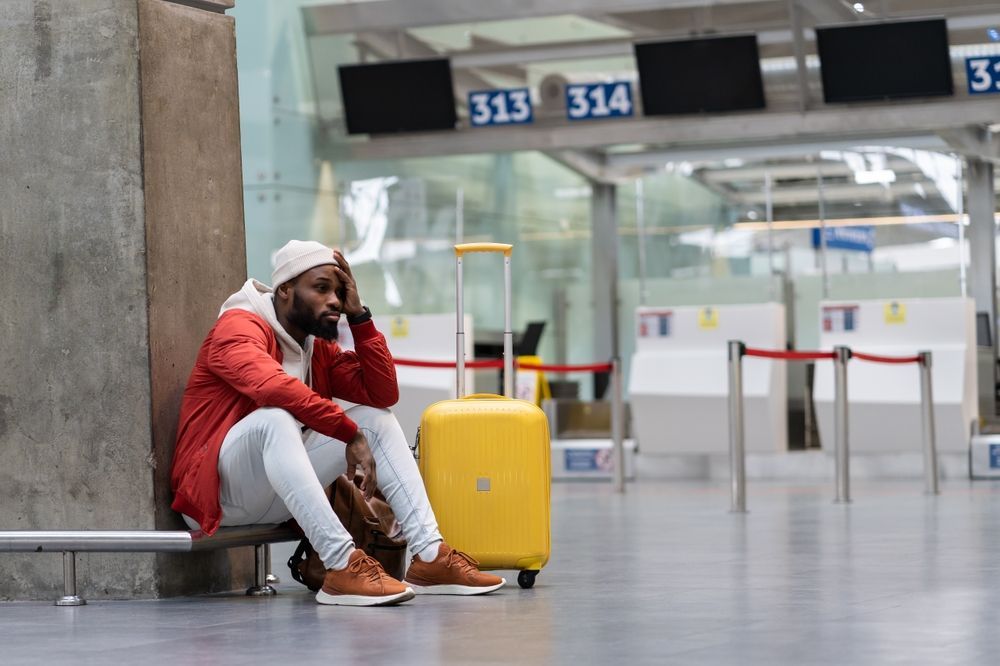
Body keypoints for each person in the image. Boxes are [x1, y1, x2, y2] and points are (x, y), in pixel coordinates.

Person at [170, 239, 504, 606]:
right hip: (218, 495)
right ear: (285, 291)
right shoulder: (237, 328)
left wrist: (360, 316)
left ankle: (429, 557)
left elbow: (381, 392)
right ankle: (342, 564)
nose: (334, 301)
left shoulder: (316, 348)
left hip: (276, 495)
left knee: (375, 420)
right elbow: (271, 387)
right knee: (275, 419)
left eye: (340, 292)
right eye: (321, 288)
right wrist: (347, 433)